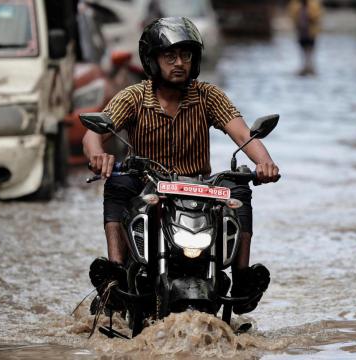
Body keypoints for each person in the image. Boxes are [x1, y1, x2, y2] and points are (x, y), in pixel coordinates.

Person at [83, 17, 280, 314]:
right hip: (147, 184)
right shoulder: (134, 97)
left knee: (239, 185)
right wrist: (99, 155)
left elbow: (243, 134)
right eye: (170, 56)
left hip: (200, 188)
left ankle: (241, 277)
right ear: (152, 60)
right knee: (118, 183)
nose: (179, 63)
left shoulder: (208, 96)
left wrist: (264, 162)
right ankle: (116, 274)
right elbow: (92, 134)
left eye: (186, 56)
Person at [288, 0, 323, 76]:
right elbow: (292, 16)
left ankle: (310, 66)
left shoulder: (313, 4)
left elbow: (317, 16)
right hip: (301, 32)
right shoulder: (296, 5)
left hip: (311, 32)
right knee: (303, 49)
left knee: (310, 49)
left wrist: (311, 17)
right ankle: (305, 66)